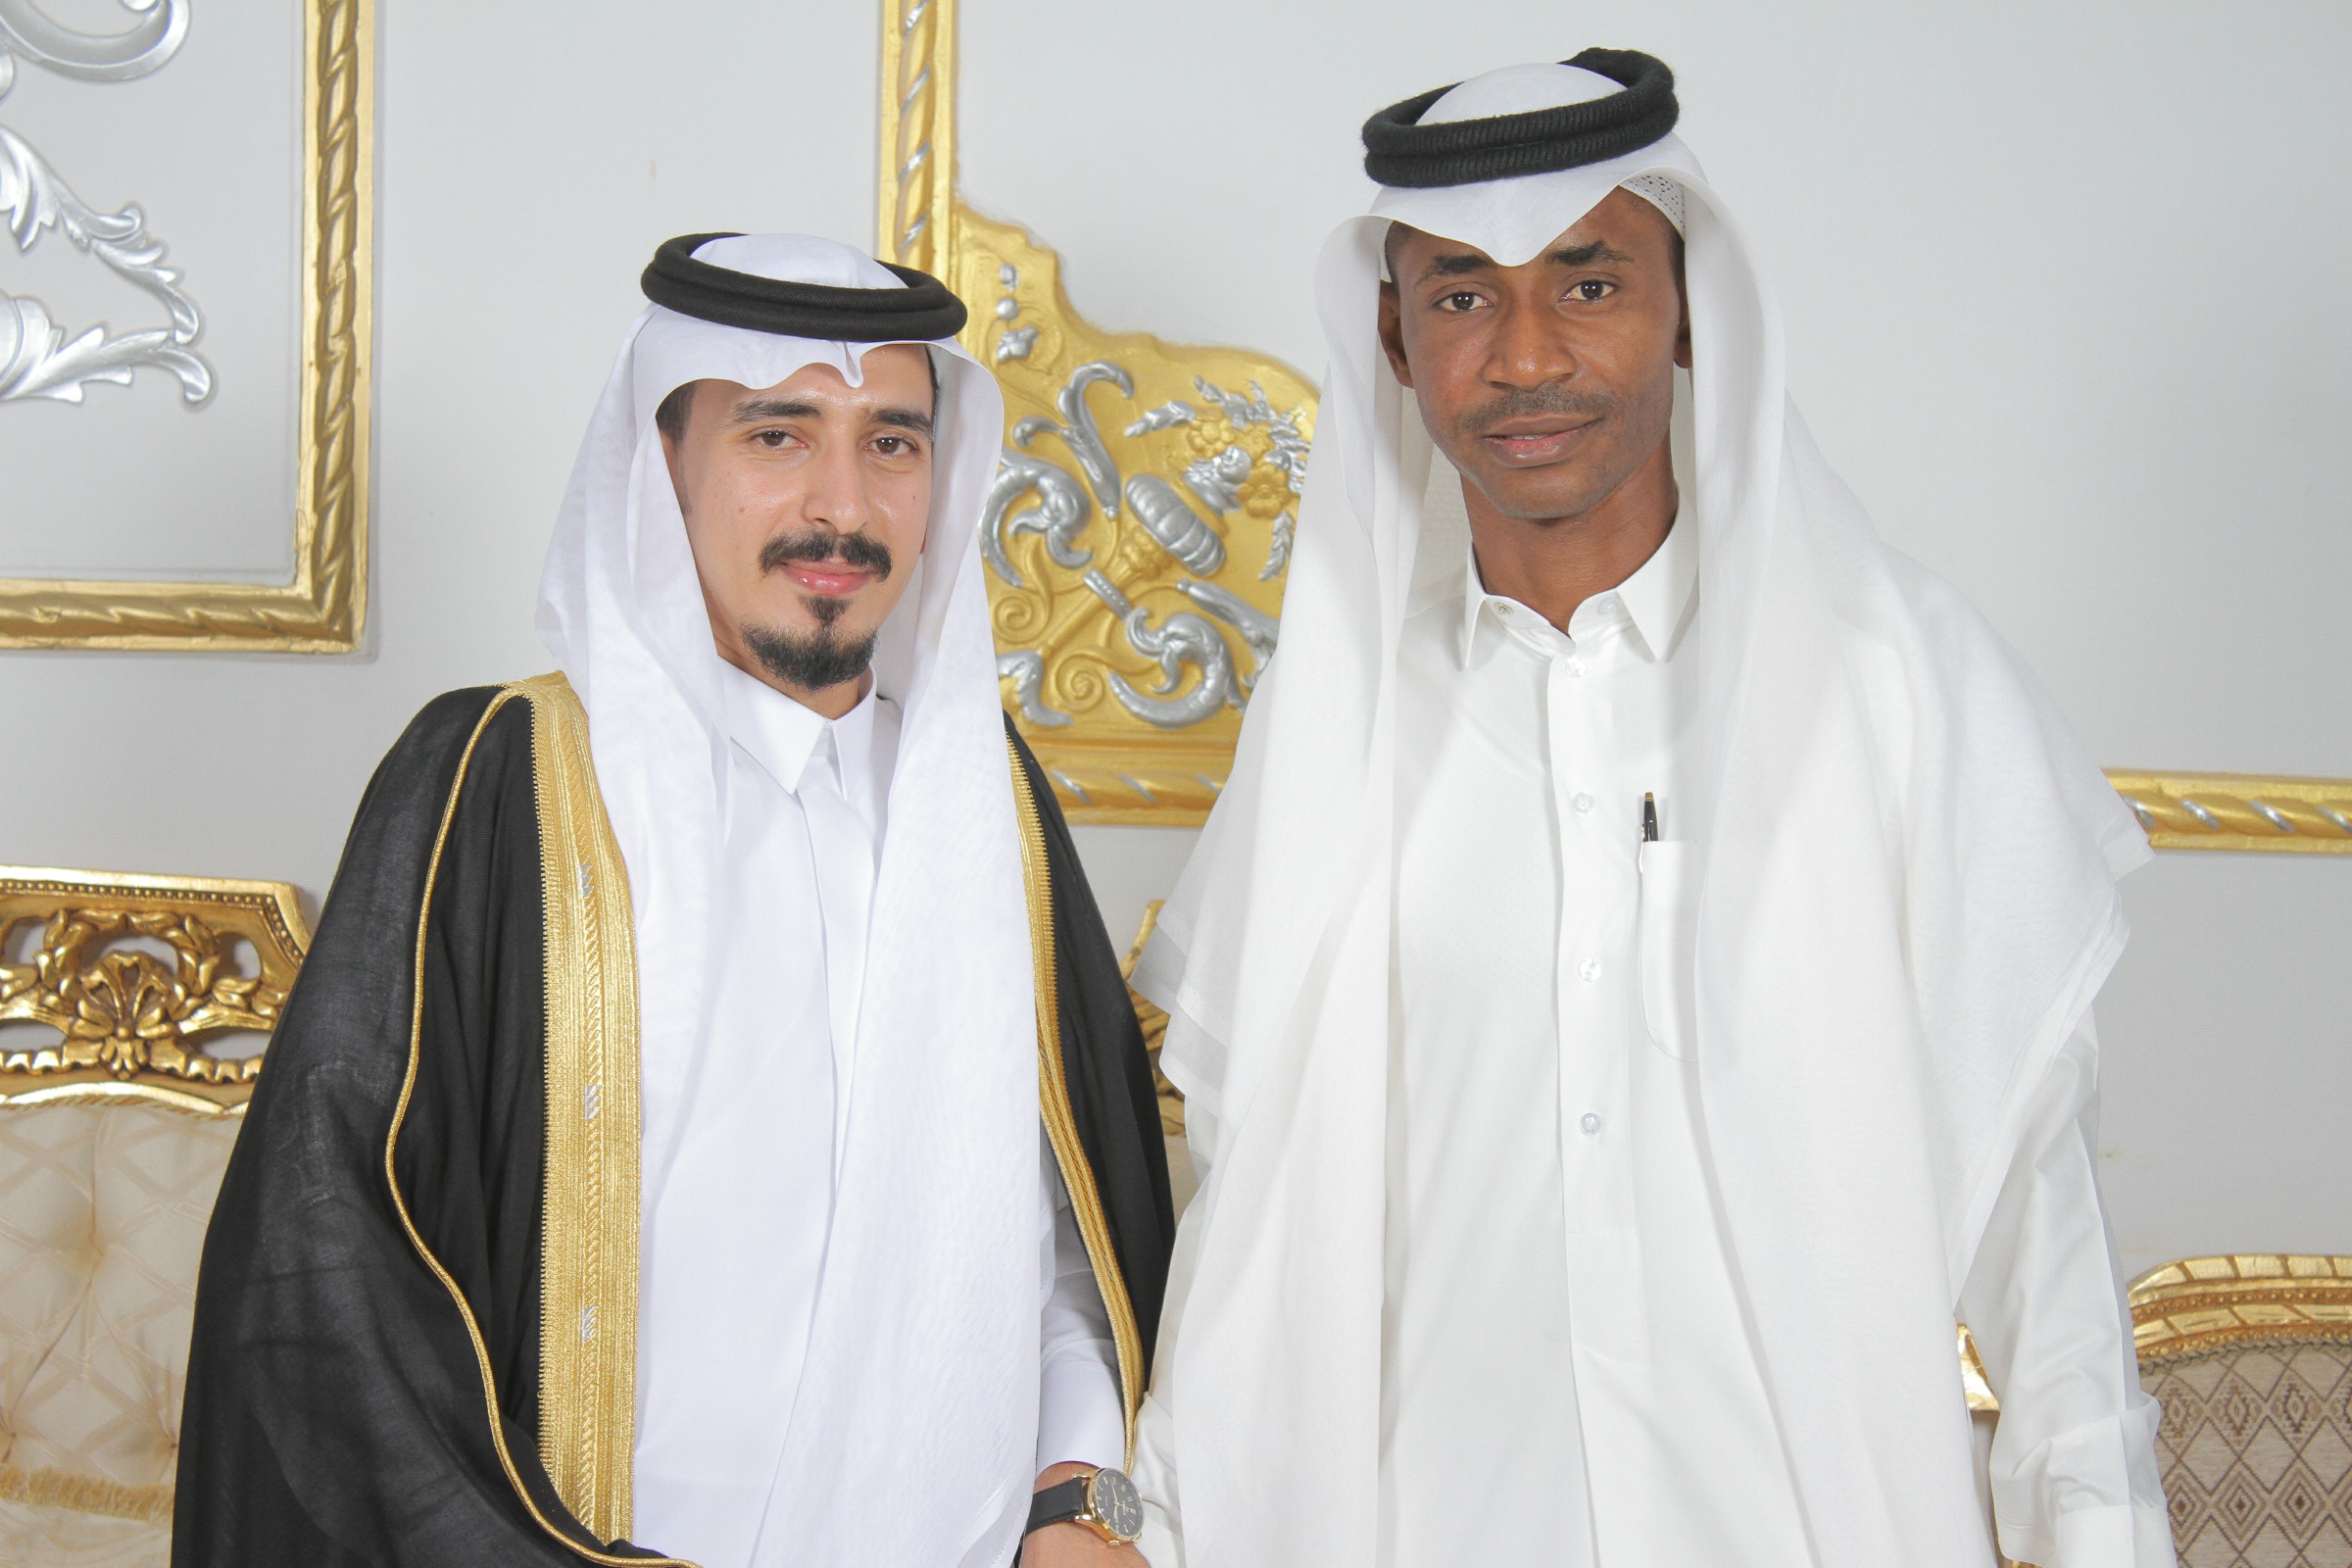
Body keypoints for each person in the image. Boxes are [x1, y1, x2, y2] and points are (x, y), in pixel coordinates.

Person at [1130, 53, 2171, 1568]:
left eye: (1590, 284)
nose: (1526, 356)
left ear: (1688, 311)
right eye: (1464, 296)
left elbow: (2044, 1238)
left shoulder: (1896, 684)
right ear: (1396, 340)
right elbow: (1250, 1222)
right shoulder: (1340, 730)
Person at [174, 233, 1171, 1568]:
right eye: (777, 435)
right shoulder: (497, 785)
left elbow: (1065, 1239)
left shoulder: (988, 805)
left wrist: (1079, 1488)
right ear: (664, 465)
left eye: (891, 442)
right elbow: (327, 1263)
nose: (843, 506)